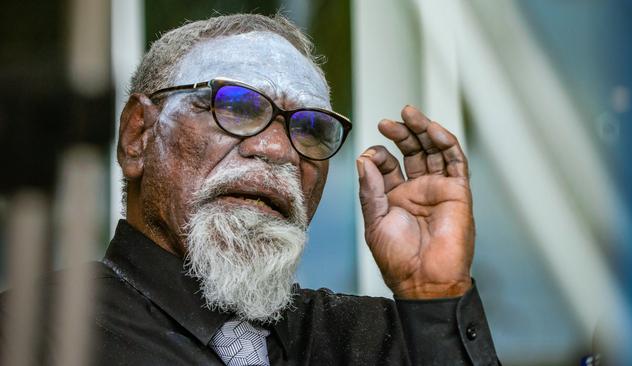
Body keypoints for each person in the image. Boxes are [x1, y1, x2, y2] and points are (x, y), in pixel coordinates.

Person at [3, 13, 499, 365]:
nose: (278, 149)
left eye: (309, 129)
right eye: (236, 106)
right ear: (138, 136)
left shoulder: (375, 342)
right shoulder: (31, 335)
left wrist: (434, 296)